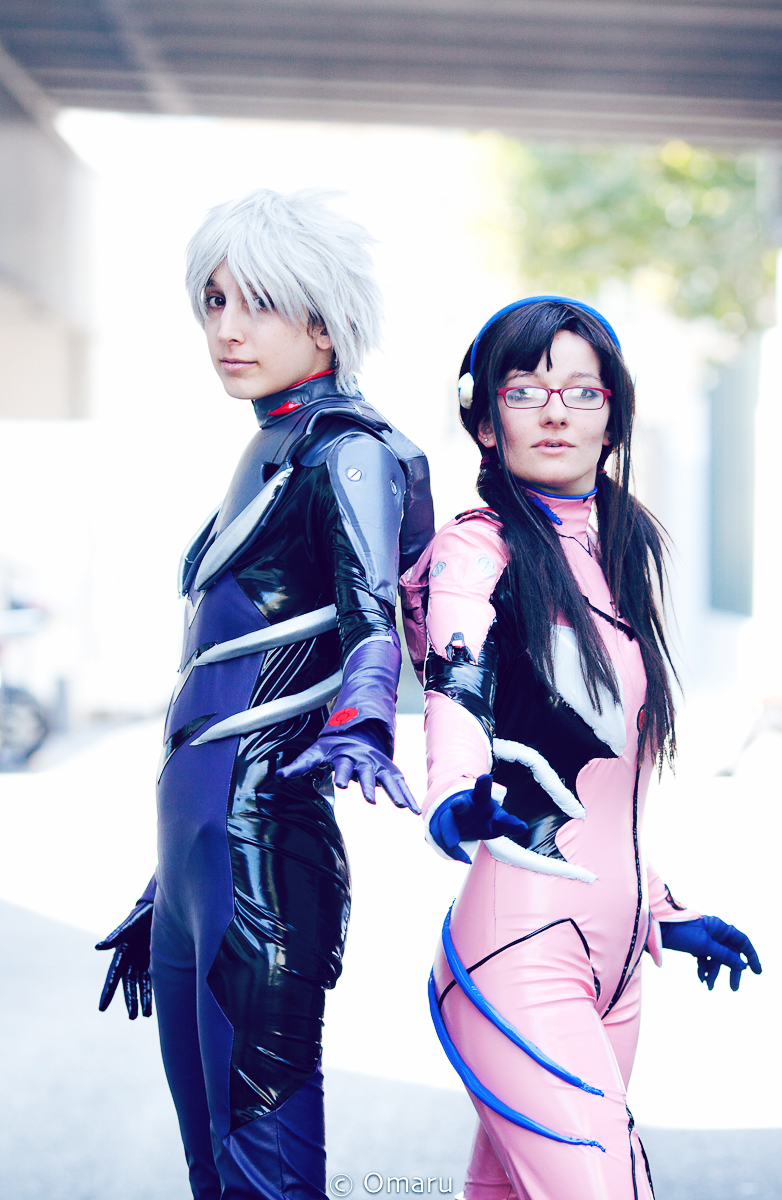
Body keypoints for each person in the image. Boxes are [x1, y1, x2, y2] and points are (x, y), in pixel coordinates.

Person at [95, 188, 434, 1200]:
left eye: (259, 304)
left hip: (263, 861)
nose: (226, 329)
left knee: (265, 1184)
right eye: (213, 302)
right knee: (215, 1180)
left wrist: (364, 720)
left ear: (323, 322)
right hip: (195, 870)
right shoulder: (264, 445)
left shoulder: (350, 449)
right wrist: (165, 882)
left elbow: (372, 622)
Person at [401, 297, 761, 1200]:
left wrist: (668, 915)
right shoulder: (474, 551)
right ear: (484, 420)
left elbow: (608, 785)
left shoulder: (622, 548)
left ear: (614, 415)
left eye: (582, 390)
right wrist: (456, 796)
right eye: (525, 390)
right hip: (518, 954)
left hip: (620, 964)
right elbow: (459, 681)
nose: (556, 411)